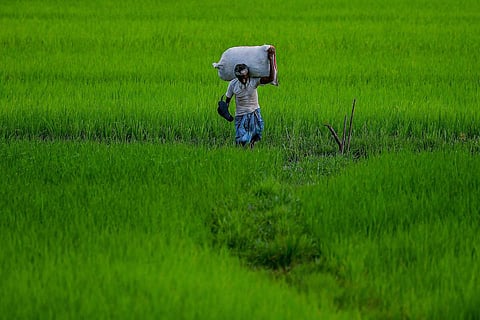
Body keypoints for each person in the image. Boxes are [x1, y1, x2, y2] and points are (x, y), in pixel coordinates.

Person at [223, 46, 276, 148]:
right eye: (240, 77)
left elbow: (271, 78)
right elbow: (227, 100)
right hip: (241, 114)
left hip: (254, 112)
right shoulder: (233, 84)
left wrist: (271, 59)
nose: (243, 79)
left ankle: (251, 149)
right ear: (237, 77)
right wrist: (225, 111)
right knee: (241, 139)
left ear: (248, 75)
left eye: (245, 77)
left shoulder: (254, 81)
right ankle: (241, 153)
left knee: (255, 136)